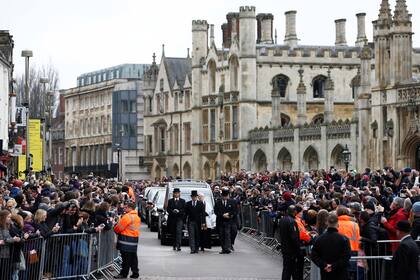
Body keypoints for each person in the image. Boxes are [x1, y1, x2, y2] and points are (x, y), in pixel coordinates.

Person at [311, 213, 351, 280]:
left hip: (326, 273)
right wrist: (333, 265)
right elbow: (346, 256)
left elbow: (314, 255)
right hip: (341, 273)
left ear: (327, 223)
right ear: (337, 223)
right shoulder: (344, 239)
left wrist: (325, 265)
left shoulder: (319, 239)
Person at [113, 201, 141, 279]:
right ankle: (135, 273)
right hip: (134, 240)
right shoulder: (137, 217)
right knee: (133, 257)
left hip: (126, 239)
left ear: (130, 208)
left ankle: (123, 274)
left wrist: (114, 229)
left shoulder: (127, 216)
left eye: (126, 207)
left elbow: (119, 228)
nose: (124, 208)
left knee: (126, 258)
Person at [278, 205, 301, 280]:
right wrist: (298, 248)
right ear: (294, 212)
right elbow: (294, 237)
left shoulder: (283, 220)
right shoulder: (291, 221)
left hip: (285, 247)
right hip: (291, 249)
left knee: (287, 269)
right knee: (290, 269)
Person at [214, 188, 237, 254]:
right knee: (221, 235)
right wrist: (222, 215)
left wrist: (229, 214)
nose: (225, 197)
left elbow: (235, 211)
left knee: (227, 234)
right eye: (224, 196)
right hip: (220, 221)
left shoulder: (232, 202)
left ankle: (228, 248)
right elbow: (216, 211)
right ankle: (223, 248)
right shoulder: (218, 202)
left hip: (229, 221)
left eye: (226, 196)